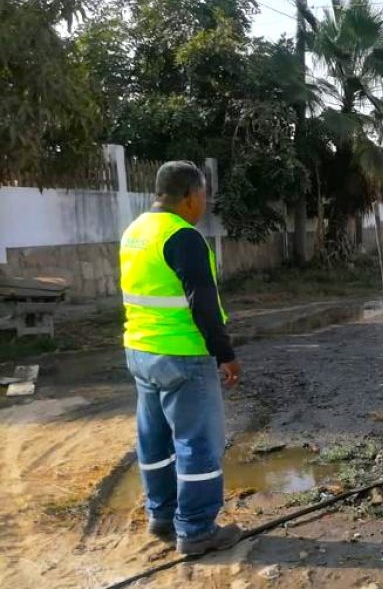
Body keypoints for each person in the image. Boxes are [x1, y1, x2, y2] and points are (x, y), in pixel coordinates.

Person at [119, 161, 242, 555]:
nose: (204, 203)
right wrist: (225, 354)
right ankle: (196, 530)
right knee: (198, 444)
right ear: (190, 195)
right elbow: (202, 305)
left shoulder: (135, 231)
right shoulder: (183, 236)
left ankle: (162, 515)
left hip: (141, 351)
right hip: (183, 356)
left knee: (154, 440)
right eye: (203, 195)